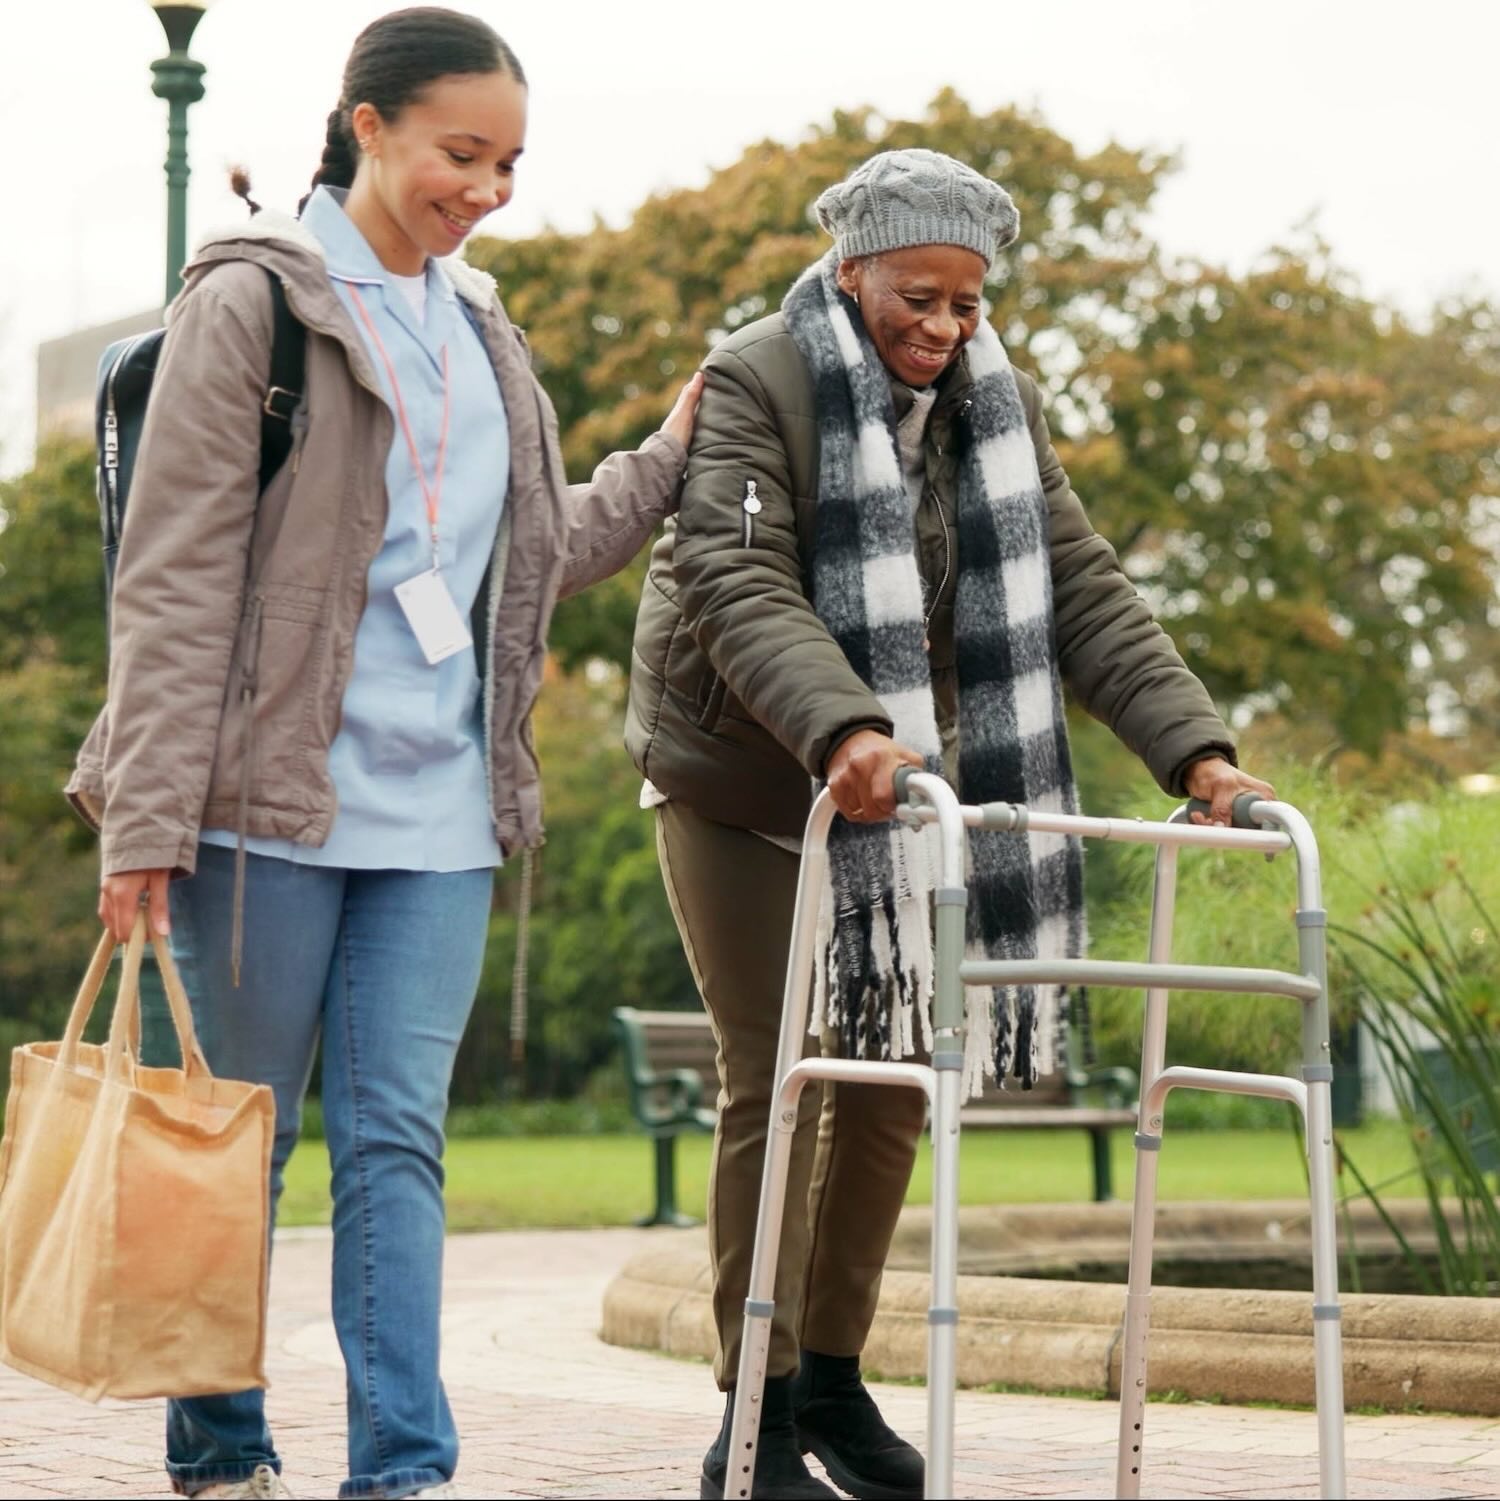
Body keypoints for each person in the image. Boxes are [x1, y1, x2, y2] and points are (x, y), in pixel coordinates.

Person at [68, 9, 700, 1497]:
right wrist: (144, 823)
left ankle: (404, 1467)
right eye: (458, 154)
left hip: (439, 816)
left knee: (399, 1147)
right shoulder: (252, 307)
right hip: (258, 809)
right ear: (366, 127)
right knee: (234, 1146)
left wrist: (670, 456)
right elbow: (172, 576)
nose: (485, 189)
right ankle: (220, 1447)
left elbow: (541, 550)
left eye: (509, 163)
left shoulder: (486, 334)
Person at [626, 147, 1273, 1500]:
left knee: (888, 1086)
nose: (942, 327)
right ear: (852, 268)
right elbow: (737, 579)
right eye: (916, 296)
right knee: (783, 1070)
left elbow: (1080, 590)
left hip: (901, 787)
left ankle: (832, 1380)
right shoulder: (762, 378)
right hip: (746, 784)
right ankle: (748, 1416)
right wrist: (844, 725)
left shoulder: (992, 402)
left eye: (967, 304)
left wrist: (1200, 754)